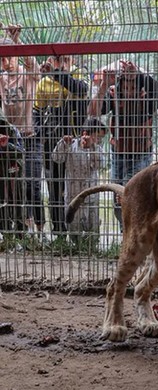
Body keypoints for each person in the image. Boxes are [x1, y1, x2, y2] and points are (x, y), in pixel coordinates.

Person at [87, 59, 158, 230]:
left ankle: (134, 235)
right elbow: (93, 112)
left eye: (133, 87)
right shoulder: (114, 95)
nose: (129, 91)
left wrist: (138, 75)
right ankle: (127, 233)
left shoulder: (147, 98)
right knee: (117, 199)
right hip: (119, 153)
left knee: (133, 196)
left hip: (141, 154)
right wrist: (103, 85)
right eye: (126, 87)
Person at [33, 54, 89, 239]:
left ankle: (78, 234)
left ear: (72, 60)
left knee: (76, 186)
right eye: (58, 60)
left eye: (66, 59)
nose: (63, 63)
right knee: (54, 187)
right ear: (52, 60)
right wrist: (40, 132)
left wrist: (57, 74)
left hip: (73, 141)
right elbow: (37, 110)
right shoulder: (44, 83)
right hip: (52, 141)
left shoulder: (78, 75)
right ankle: (58, 233)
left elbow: (80, 90)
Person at [0, 25, 40, 236]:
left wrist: (16, 42)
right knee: (9, 187)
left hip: (29, 137)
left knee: (31, 185)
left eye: (6, 57)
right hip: (8, 141)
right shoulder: (1, 78)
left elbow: (34, 65)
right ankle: (13, 231)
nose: (4, 63)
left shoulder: (27, 75)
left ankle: (32, 228)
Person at [51, 117, 108, 248]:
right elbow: (56, 158)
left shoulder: (97, 149)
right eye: (97, 137)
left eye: (101, 139)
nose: (99, 141)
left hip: (91, 197)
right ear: (85, 134)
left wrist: (93, 147)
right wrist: (63, 143)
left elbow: (100, 165)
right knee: (73, 225)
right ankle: (76, 246)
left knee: (92, 226)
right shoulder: (71, 145)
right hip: (72, 195)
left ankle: (91, 247)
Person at [0, 106, 25, 237]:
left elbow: (21, 152)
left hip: (12, 171)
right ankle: (6, 236)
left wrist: (6, 145)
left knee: (17, 200)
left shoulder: (11, 129)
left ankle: (20, 236)